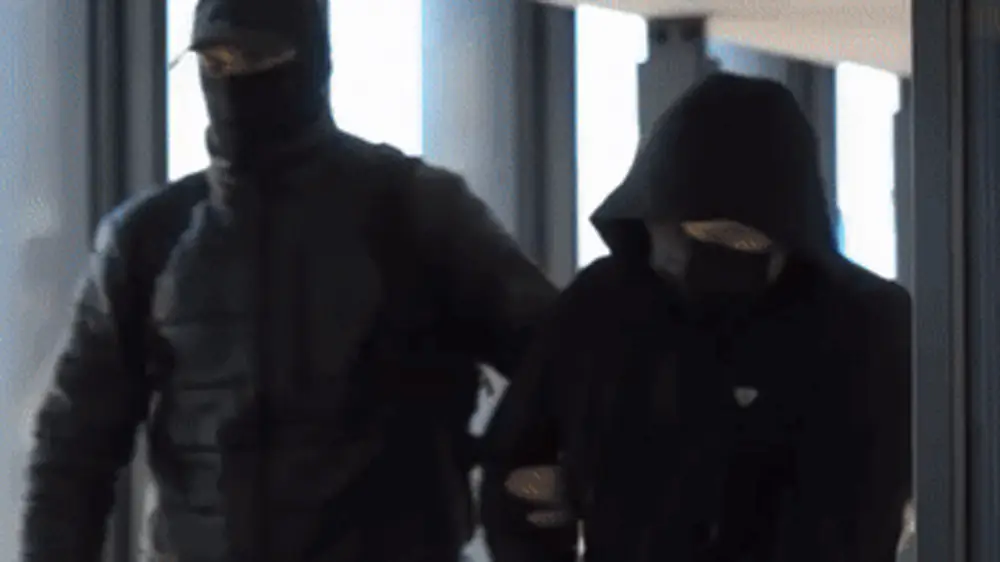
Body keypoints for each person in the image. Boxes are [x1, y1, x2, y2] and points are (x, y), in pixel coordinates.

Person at [20, 0, 557, 561]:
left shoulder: (414, 212)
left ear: (311, 58)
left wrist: (517, 485)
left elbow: (561, 362)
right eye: (216, 60)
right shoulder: (147, 239)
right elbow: (71, 452)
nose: (234, 79)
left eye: (257, 55)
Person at [480, 73, 911, 562]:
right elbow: (515, 470)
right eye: (670, 236)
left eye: (718, 239)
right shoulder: (606, 304)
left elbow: (865, 509)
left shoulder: (863, 325)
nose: (682, 259)